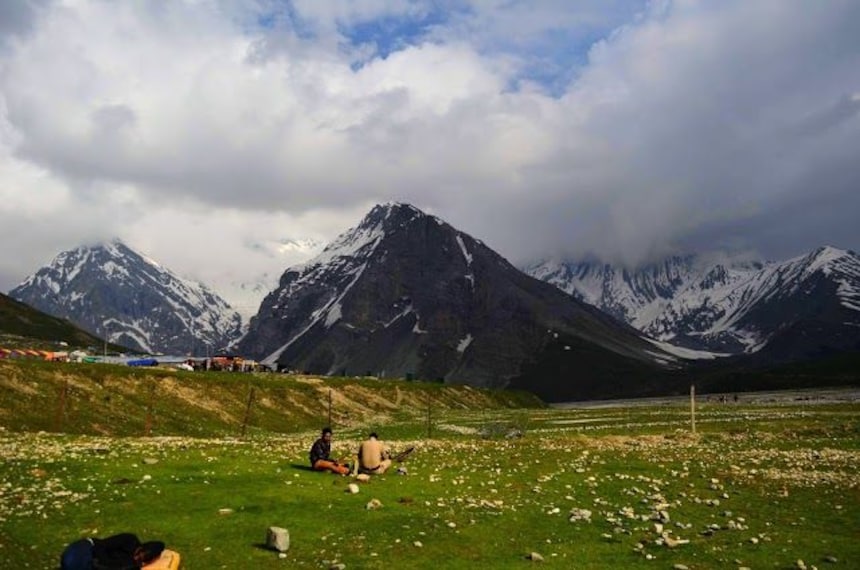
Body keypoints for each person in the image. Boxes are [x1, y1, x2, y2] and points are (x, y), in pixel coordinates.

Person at [60, 532, 164, 570]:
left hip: (93, 563)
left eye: (141, 559)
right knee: (71, 563)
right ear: (141, 547)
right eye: (138, 553)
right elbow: (101, 546)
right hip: (88, 548)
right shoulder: (129, 540)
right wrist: (106, 564)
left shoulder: (133, 565)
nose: (136, 557)